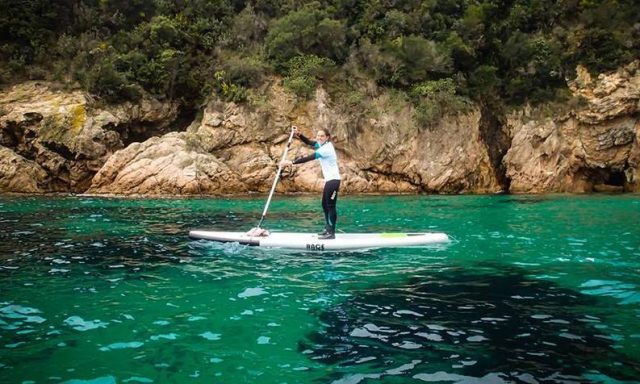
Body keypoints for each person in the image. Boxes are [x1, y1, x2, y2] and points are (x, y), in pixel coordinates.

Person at [282, 126, 341, 239]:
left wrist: (291, 162)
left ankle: (331, 233)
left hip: (333, 181)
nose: (319, 138)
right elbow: (309, 142)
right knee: (324, 205)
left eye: (322, 136)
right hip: (329, 181)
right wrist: (299, 134)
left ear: (327, 137)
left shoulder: (326, 149)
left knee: (330, 206)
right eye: (318, 135)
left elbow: (309, 157)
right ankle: (327, 229)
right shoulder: (322, 145)